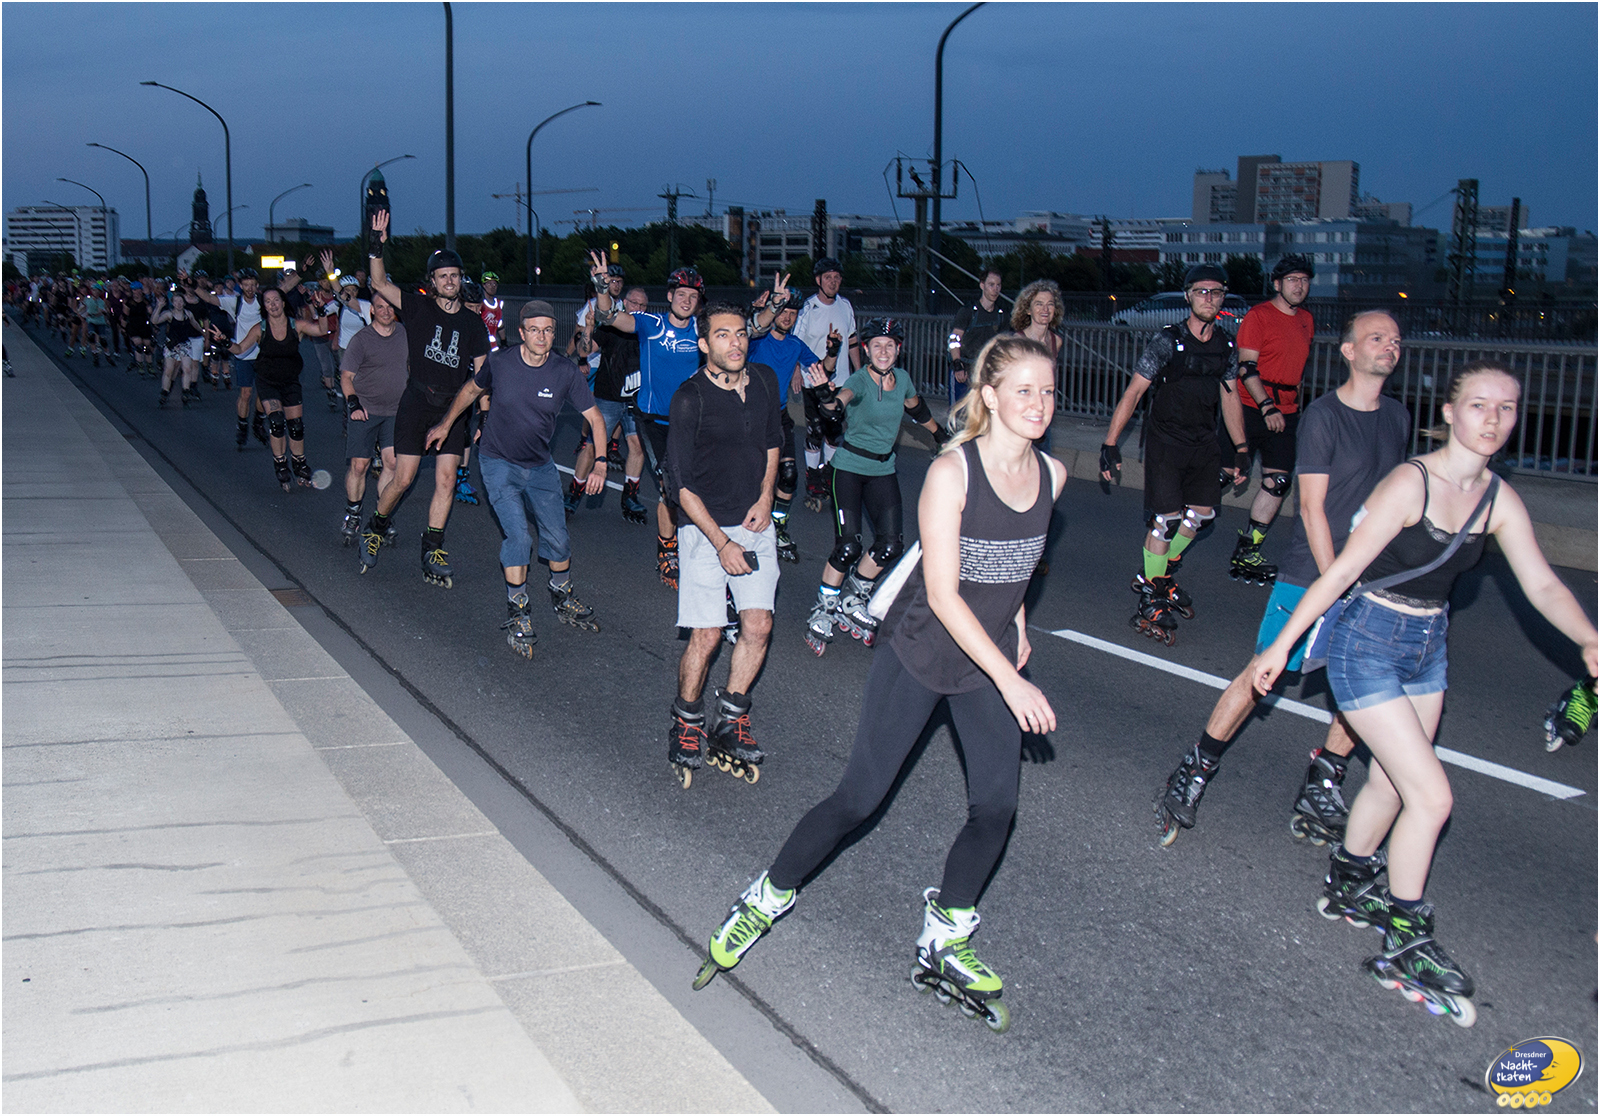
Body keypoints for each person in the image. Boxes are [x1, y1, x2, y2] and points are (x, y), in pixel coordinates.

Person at [691, 335, 1066, 1035]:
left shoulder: (1053, 475)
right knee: (858, 800)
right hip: (922, 653)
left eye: (1047, 390)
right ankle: (764, 899)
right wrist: (1012, 682)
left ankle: (945, 934)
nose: (1039, 403)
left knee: (995, 808)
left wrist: (1017, 624)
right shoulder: (953, 474)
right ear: (989, 396)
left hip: (985, 660)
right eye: (1023, 390)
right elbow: (944, 595)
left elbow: (1019, 563)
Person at [1251, 360, 1598, 1023]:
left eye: (1506, 407)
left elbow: (1543, 584)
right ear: (1449, 412)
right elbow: (1341, 573)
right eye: (1479, 405)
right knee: (1433, 796)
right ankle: (1407, 939)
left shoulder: (1497, 499)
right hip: (1366, 642)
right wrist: (1280, 646)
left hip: (1428, 646)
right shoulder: (1410, 484)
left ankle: (1349, 880)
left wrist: (1588, 638)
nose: (1492, 419)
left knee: (1390, 782)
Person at [1152, 310, 1411, 848]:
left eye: (1395, 340)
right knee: (1263, 673)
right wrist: (1337, 580)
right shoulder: (1324, 416)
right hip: (1315, 571)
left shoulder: (1397, 417)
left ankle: (1324, 780)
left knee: (1363, 684)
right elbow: (1311, 507)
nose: (1390, 346)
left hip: (1372, 577)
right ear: (1348, 351)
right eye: (1377, 338)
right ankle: (1195, 768)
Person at [425, 300, 608, 659]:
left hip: (540, 466)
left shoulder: (565, 371)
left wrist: (600, 463)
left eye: (548, 330)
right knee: (519, 537)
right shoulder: (500, 362)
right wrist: (446, 424)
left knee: (558, 537)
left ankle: (562, 595)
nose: (542, 336)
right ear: (522, 333)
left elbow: (596, 418)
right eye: (534, 330)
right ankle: (518, 609)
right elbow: (471, 390)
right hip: (498, 463)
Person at [663, 302, 783, 786]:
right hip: (703, 529)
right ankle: (686, 722)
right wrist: (720, 543)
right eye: (722, 335)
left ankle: (731, 720)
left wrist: (767, 495)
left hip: (755, 522)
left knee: (758, 625)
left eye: (740, 334)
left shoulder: (765, 381)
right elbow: (680, 486)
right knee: (708, 634)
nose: (735, 343)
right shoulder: (689, 398)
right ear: (703, 344)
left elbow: (773, 443)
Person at [1098, 263, 1246, 646]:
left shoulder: (1227, 345)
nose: (1209, 298)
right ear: (1188, 296)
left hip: (1204, 441)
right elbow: (1134, 392)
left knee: (1201, 515)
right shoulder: (1168, 341)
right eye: (1201, 291)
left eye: (1216, 292)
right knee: (1165, 521)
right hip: (1166, 441)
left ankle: (1158, 572)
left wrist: (1242, 448)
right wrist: (1110, 443)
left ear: (1223, 297)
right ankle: (1152, 594)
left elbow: (1231, 398)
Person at [358, 209, 491, 587]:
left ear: (461, 279)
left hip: (454, 409)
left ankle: (433, 547)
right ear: (432, 281)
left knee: (447, 481)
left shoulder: (473, 323)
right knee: (403, 479)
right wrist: (376, 246)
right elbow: (379, 281)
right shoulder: (417, 308)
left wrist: (485, 415)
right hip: (417, 404)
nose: (450, 281)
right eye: (443, 276)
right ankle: (375, 527)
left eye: (455, 275)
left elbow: (482, 376)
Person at [800, 317, 945, 655]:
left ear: (898, 349)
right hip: (849, 469)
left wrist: (941, 435)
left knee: (891, 545)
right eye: (876, 345)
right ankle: (824, 607)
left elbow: (917, 408)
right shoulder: (860, 380)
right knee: (848, 547)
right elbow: (837, 406)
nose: (883, 351)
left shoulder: (903, 379)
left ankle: (854, 595)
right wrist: (824, 394)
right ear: (865, 350)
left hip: (883, 469)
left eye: (889, 345)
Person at [588, 249, 705, 589]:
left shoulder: (702, 330)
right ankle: (667, 552)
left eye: (693, 296)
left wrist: (772, 308)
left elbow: (747, 329)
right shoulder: (651, 324)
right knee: (670, 488)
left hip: (690, 422)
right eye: (681, 294)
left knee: (696, 487)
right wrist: (602, 288)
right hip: (653, 420)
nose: (686, 301)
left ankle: (697, 543)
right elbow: (609, 316)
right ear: (669, 296)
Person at [1223, 254, 1317, 585]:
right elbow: (1246, 367)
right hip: (1251, 407)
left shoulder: (1306, 320)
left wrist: (1293, 407)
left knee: (1278, 482)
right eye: (1292, 280)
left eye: (1304, 280)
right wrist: (1266, 406)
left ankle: (1247, 551)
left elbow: (1296, 370)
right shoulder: (1259, 316)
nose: (1299, 286)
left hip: (1286, 411)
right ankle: (1171, 525)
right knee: (1223, 476)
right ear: (1277, 284)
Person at [747, 276, 837, 563]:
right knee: (751, 480)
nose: (787, 317)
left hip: (779, 416)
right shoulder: (756, 341)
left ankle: (778, 528)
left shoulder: (796, 345)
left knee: (788, 476)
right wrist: (755, 311)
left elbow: (822, 370)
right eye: (783, 311)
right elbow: (745, 331)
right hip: (749, 418)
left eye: (793, 313)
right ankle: (745, 530)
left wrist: (833, 351)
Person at [215, 286, 331, 490]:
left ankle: (299, 462)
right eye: (268, 302)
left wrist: (321, 311)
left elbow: (322, 330)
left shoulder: (296, 325)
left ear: (283, 303)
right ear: (264, 307)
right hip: (267, 381)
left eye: (276, 300)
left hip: (290, 381)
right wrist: (225, 341)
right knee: (277, 422)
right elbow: (240, 349)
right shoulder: (259, 329)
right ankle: (281, 464)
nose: (273, 305)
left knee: (296, 426)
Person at [569, 285, 650, 523]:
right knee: (593, 446)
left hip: (636, 400)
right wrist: (589, 328)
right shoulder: (611, 326)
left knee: (637, 446)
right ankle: (574, 493)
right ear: (625, 303)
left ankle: (630, 496)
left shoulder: (648, 330)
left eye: (643, 305)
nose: (638, 308)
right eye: (634, 303)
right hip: (608, 397)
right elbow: (584, 350)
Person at [338, 291, 407, 546]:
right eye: (380, 307)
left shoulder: (404, 334)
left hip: (395, 411)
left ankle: (382, 516)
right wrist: (353, 404)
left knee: (392, 463)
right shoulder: (361, 340)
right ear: (372, 311)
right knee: (360, 465)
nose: (386, 311)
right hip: (365, 410)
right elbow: (346, 377)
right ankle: (353, 513)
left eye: (389, 307)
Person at [792, 257, 861, 511]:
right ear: (818, 280)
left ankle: (828, 474)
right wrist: (795, 373)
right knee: (815, 429)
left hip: (840, 379)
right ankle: (813, 479)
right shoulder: (808, 308)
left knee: (834, 431)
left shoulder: (845, 305)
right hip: (813, 379)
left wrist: (859, 371)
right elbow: (795, 343)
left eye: (836, 277)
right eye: (828, 277)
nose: (833, 282)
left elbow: (852, 340)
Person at [947, 267, 1008, 403]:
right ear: (982, 285)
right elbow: (954, 338)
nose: (995, 289)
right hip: (964, 372)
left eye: (998, 285)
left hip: (986, 373)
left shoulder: (1001, 315)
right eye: (991, 285)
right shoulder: (968, 311)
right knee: (959, 412)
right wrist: (957, 363)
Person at [150, 288, 203, 410]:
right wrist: (159, 307)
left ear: (184, 303)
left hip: (184, 344)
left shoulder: (188, 314)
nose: (178, 304)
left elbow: (195, 323)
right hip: (172, 345)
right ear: (173, 303)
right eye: (176, 301)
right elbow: (155, 321)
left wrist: (203, 332)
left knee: (187, 369)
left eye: (180, 301)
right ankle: (164, 392)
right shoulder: (169, 314)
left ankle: (185, 392)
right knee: (169, 370)